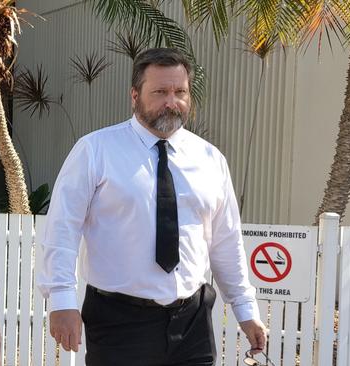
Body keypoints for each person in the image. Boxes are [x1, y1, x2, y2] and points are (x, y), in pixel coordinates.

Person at [37, 47, 267, 366]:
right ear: (135, 95)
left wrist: (246, 309)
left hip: (193, 323)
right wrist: (61, 300)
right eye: (160, 92)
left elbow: (227, 243)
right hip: (118, 322)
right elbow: (62, 228)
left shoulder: (211, 160)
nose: (171, 102)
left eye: (180, 92)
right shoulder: (95, 151)